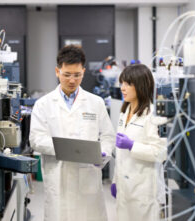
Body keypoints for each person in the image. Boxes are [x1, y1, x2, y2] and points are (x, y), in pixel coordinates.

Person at [30, 45, 115, 221]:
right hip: (58, 175)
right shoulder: (43, 104)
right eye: (67, 74)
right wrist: (65, 148)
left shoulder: (95, 103)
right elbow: (36, 139)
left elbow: (108, 136)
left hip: (88, 175)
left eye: (77, 75)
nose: (72, 80)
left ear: (83, 71)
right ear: (57, 71)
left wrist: (103, 154)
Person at [111, 64, 168, 221]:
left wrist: (132, 146)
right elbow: (121, 155)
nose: (122, 88)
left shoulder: (154, 115)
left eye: (128, 84)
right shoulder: (125, 111)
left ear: (141, 86)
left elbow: (161, 153)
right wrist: (116, 180)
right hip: (125, 187)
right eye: (122, 83)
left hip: (145, 190)